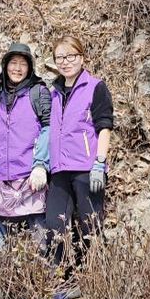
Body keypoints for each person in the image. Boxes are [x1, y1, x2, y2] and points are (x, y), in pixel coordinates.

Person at [46, 36, 114, 267]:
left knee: (90, 226)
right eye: (60, 58)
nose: (65, 62)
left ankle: (95, 275)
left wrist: (99, 163)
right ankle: (60, 277)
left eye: (71, 56)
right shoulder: (54, 92)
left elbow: (104, 127)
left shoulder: (95, 87)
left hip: (87, 169)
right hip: (59, 170)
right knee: (54, 226)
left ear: (82, 58)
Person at [0, 43, 51, 236]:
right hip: (1, 179)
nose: (17, 68)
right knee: (7, 242)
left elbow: (49, 127)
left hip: (29, 178)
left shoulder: (38, 92)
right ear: (5, 66)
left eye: (23, 64)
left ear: (30, 68)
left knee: (39, 240)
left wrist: (41, 165)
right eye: (13, 63)